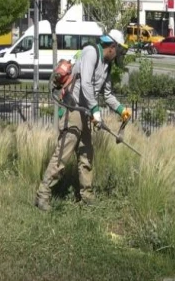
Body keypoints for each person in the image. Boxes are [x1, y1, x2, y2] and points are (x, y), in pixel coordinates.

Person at [34, 29, 132, 212]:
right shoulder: (91, 52)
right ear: (112, 47)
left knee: (87, 155)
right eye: (119, 51)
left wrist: (120, 109)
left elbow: (108, 94)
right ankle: (43, 194)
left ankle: (86, 196)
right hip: (74, 109)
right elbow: (85, 83)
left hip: (86, 112)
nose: (119, 55)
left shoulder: (107, 65)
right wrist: (95, 110)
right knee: (63, 154)